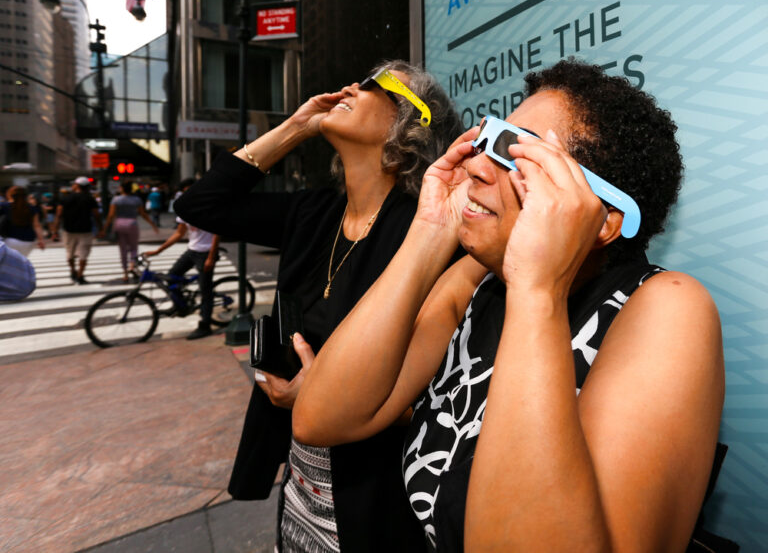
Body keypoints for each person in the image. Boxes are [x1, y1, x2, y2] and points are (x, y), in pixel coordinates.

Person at [294, 59, 725, 552]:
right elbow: (322, 417)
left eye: (517, 155)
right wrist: (431, 232)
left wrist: (537, 290)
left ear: (603, 217)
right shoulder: (478, 283)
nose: (477, 163)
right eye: (489, 142)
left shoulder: (666, 309)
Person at [174, 60, 462, 552]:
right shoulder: (313, 212)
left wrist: (327, 397)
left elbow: (449, 392)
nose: (351, 85)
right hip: (305, 484)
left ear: (413, 124)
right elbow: (200, 206)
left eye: (376, 85)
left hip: (380, 493)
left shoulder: (429, 232)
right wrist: (294, 128)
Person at [144, 178, 220, 340]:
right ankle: (181, 305)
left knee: (205, 290)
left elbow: (217, 232)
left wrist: (211, 257)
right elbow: (179, 233)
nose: (188, 192)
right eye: (185, 190)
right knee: (172, 277)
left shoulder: (209, 205)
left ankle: (205, 325)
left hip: (206, 252)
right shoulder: (185, 208)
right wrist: (158, 250)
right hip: (192, 250)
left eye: (191, 189)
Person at [99, 180, 158, 281]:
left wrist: (104, 228)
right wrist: (152, 224)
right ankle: (132, 266)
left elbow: (111, 215)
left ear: (122, 188)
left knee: (123, 249)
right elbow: (143, 214)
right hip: (132, 224)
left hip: (119, 224)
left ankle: (125, 273)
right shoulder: (136, 199)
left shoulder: (116, 199)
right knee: (134, 247)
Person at [51, 177, 102, 284]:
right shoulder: (89, 198)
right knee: (84, 254)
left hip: (68, 230)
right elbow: (96, 215)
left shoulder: (65, 198)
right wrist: (100, 228)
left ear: (77, 185)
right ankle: (80, 274)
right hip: (85, 229)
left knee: (70, 253)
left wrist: (55, 230)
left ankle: (73, 270)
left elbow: (58, 215)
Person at [0, 186, 45, 257]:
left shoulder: (4, 206)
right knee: (19, 261)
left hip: (10, 239)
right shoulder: (32, 208)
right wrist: (41, 240)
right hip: (29, 240)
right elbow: (37, 225)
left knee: (7, 264)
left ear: (9, 195)